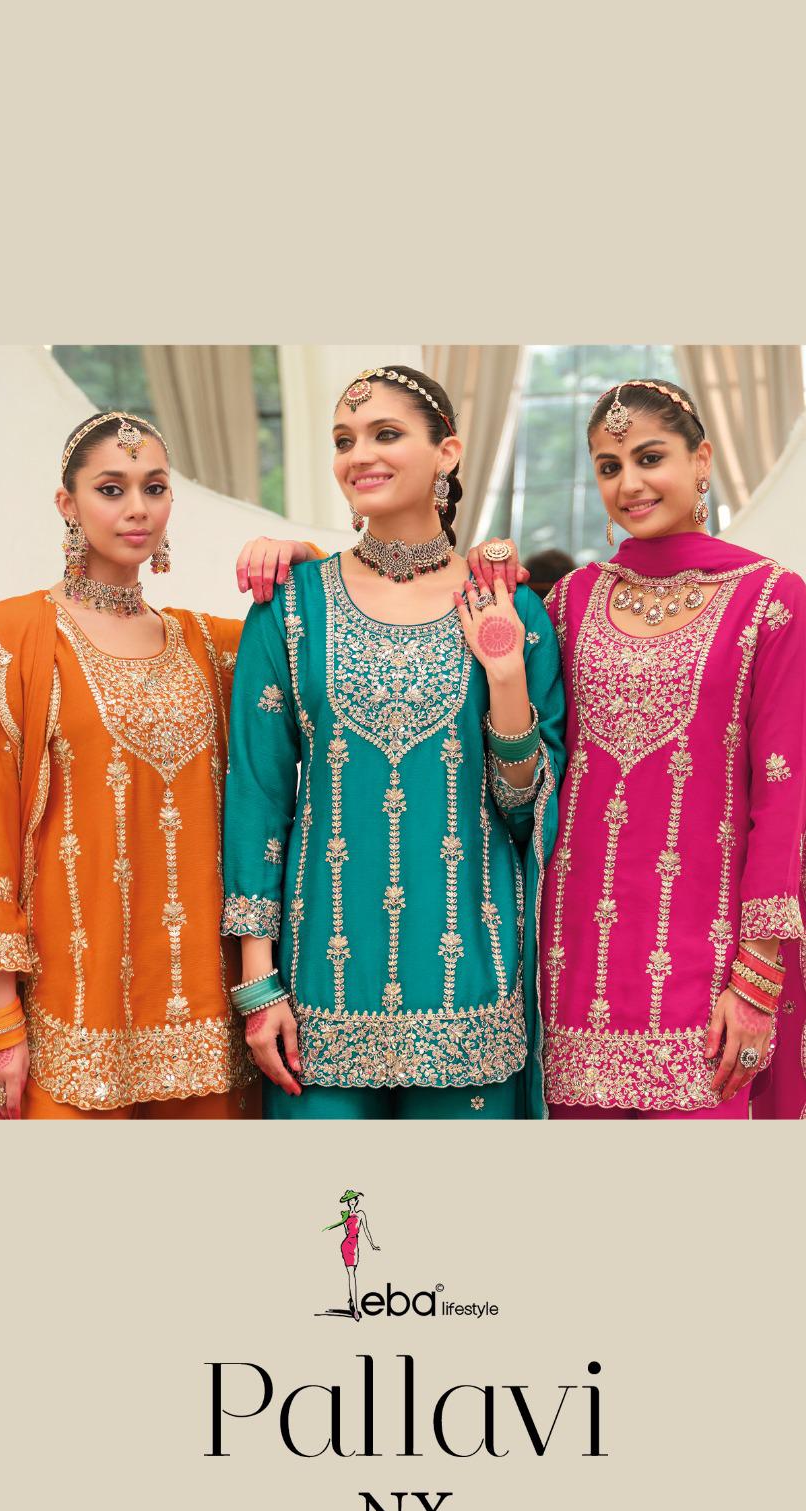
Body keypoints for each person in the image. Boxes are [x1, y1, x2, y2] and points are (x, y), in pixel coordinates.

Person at [470, 380, 806, 1117]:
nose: (630, 483)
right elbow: (529, 761)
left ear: (701, 459)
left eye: (650, 457)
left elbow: (783, 794)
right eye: (609, 466)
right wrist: (307, 560)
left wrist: (756, 978)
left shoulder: (769, 599)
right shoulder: (571, 601)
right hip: (573, 969)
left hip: (708, 972)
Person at [221, 367, 565, 1118]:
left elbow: (528, 814)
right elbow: (257, 797)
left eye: (385, 434)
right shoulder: (291, 606)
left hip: (471, 993)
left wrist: (506, 677)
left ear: (448, 452)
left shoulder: (510, 607)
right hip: (318, 998)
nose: (359, 455)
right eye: (344, 440)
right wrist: (257, 984)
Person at [0, 411, 256, 1120]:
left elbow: (313, 624)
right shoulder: (18, 639)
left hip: (205, 1024)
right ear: (68, 504)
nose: (137, 508)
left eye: (155, 487)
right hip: (71, 1018)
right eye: (111, 489)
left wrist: (290, 552)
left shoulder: (211, 646)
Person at [324, 1188, 379, 1319]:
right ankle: (356, 1309)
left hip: (355, 1246)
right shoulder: (345, 1215)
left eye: (353, 1200)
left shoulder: (361, 1214)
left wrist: (372, 1245)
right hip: (347, 1245)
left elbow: (366, 1230)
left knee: (352, 1273)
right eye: (349, 1200)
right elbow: (347, 1232)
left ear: (356, 1201)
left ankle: (351, 1300)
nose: (351, 1202)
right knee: (352, 1275)